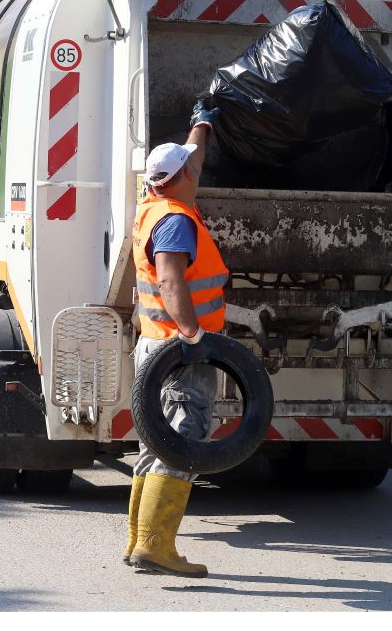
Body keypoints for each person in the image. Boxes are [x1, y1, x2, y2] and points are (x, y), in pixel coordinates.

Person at [124, 97, 226, 579]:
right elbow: (170, 281)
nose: (197, 169)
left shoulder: (154, 202)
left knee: (156, 441)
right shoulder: (175, 221)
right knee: (184, 437)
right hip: (178, 350)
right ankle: (156, 544)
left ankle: (139, 542)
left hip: (153, 344)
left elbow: (191, 153)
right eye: (192, 168)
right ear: (181, 178)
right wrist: (193, 336)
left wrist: (201, 121)